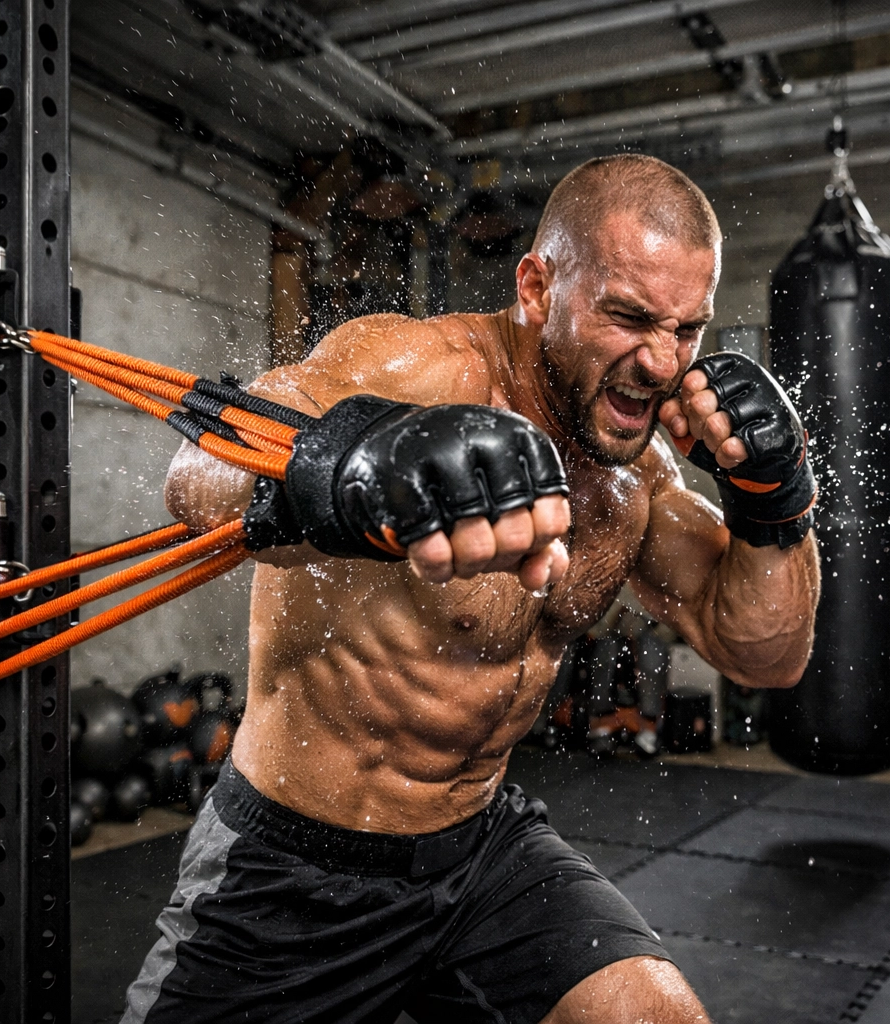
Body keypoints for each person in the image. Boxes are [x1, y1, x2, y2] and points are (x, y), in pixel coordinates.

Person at [122, 154, 820, 1024]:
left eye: (687, 329)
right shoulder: (409, 369)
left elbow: (769, 653)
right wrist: (350, 464)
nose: (661, 362)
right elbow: (198, 472)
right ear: (537, 286)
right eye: (630, 317)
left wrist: (777, 505)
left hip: (481, 852)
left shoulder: (638, 475)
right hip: (293, 867)